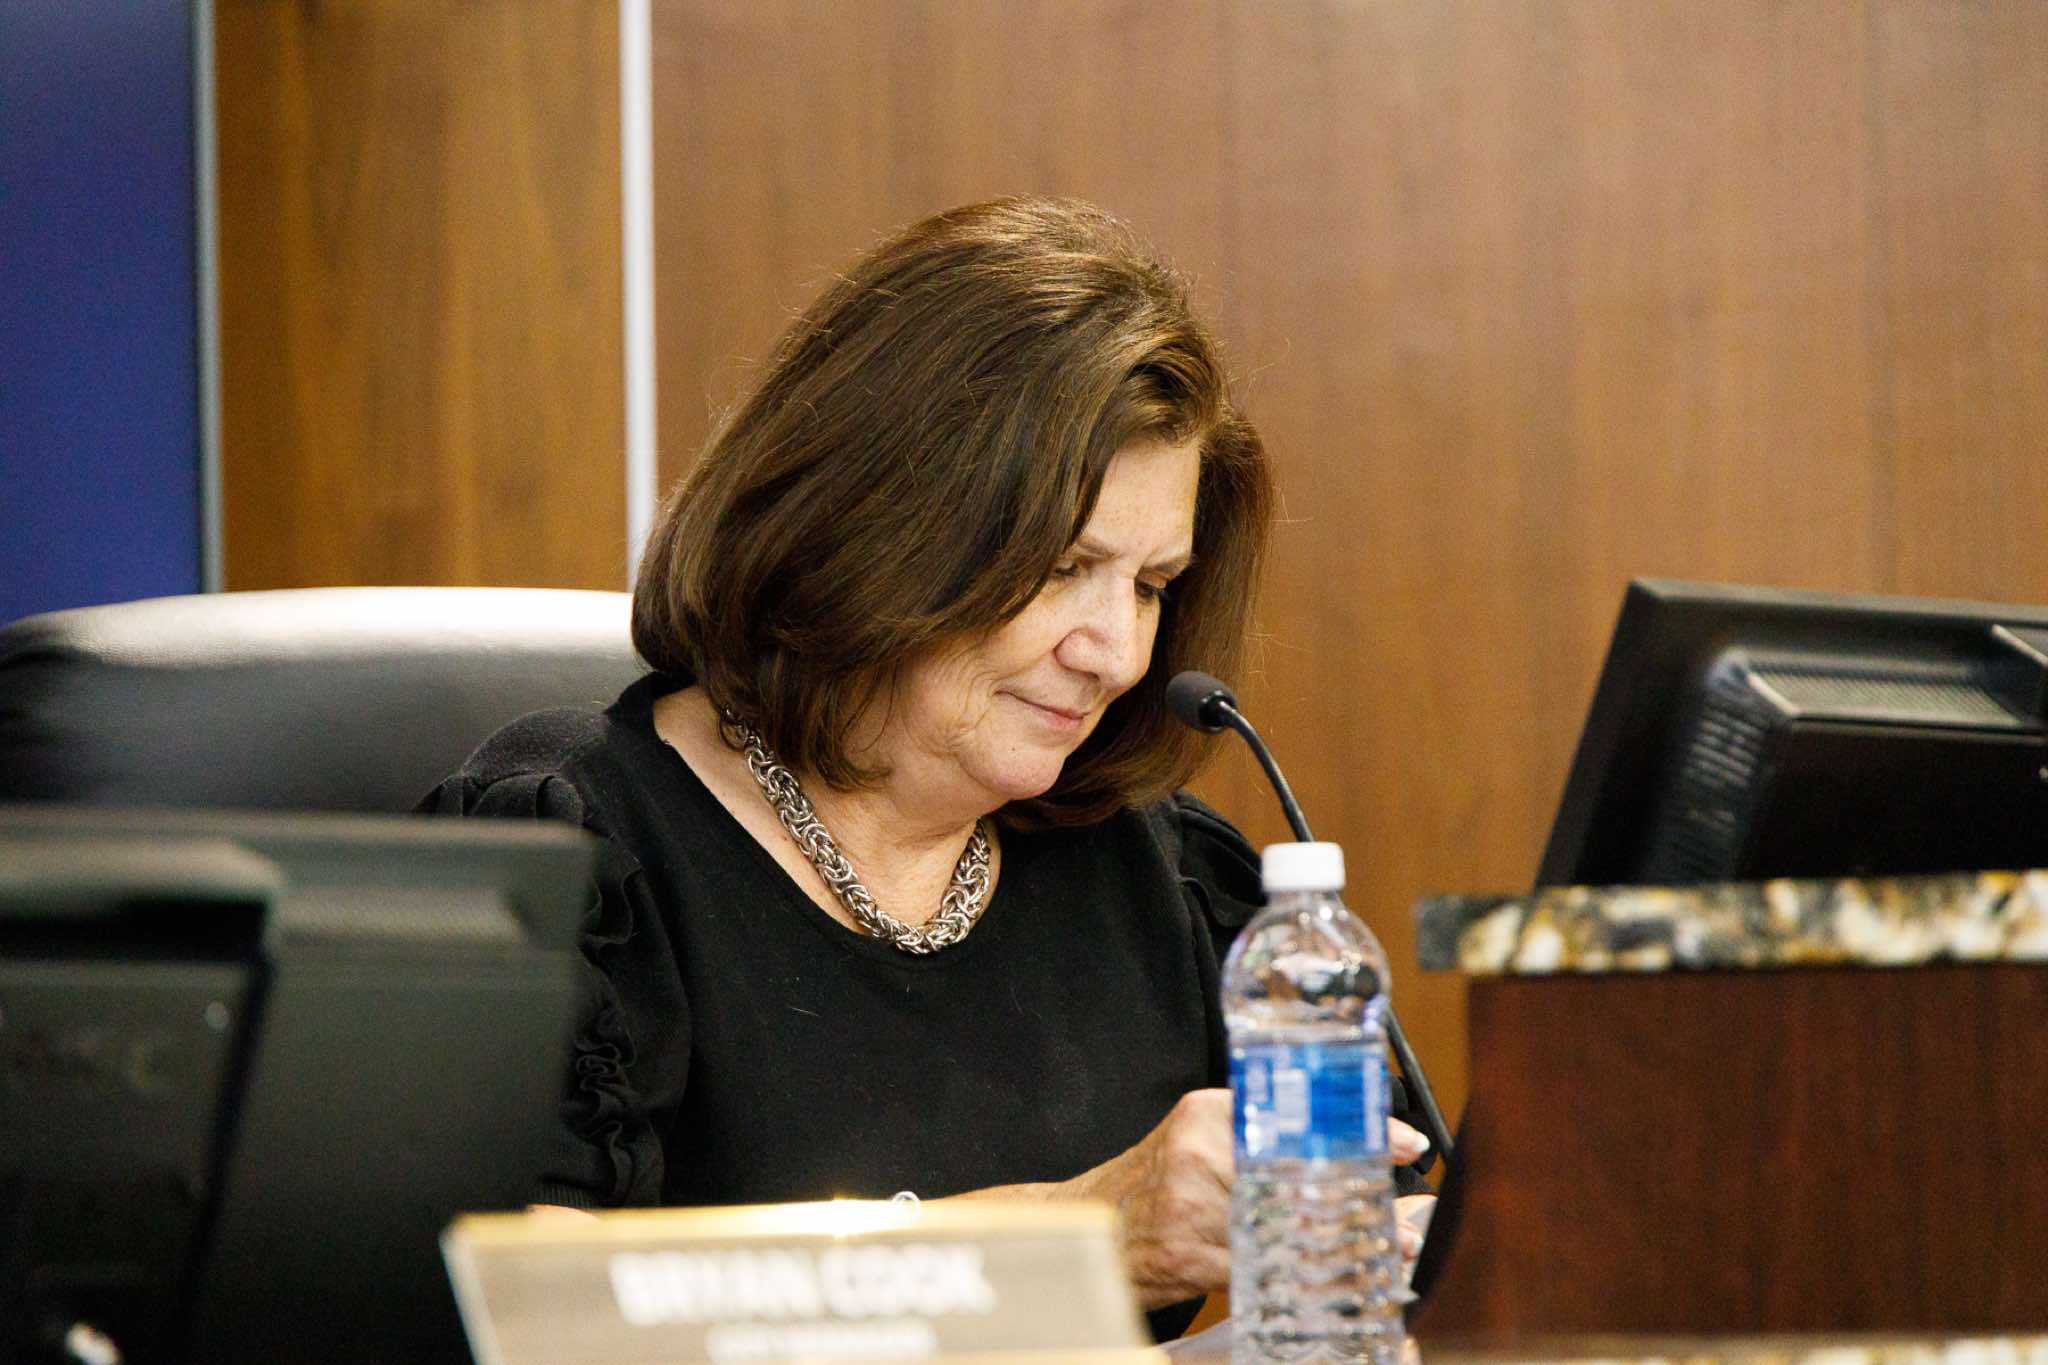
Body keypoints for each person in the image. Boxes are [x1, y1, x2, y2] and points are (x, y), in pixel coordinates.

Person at [423, 196, 1430, 1339]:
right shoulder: (571, 847)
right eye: (1063, 567)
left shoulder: (1173, 882)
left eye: (1150, 587)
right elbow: (540, 1321)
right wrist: (1082, 1231)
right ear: (875, 528)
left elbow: (1399, 1262)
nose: (1113, 654)